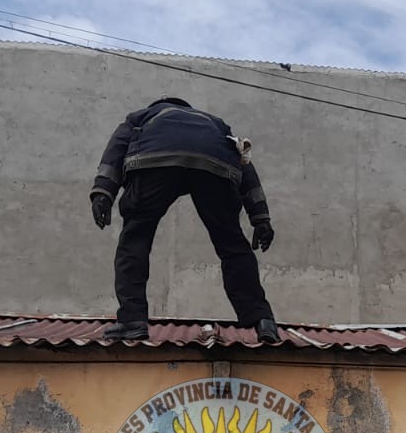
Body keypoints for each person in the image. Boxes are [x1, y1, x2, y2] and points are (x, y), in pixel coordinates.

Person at [90, 96, 280, 343]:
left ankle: (132, 320)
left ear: (160, 105)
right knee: (232, 245)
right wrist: (260, 218)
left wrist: (103, 193)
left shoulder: (141, 117)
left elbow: (115, 150)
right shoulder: (215, 124)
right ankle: (262, 321)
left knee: (135, 239)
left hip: (156, 160)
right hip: (214, 165)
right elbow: (244, 162)